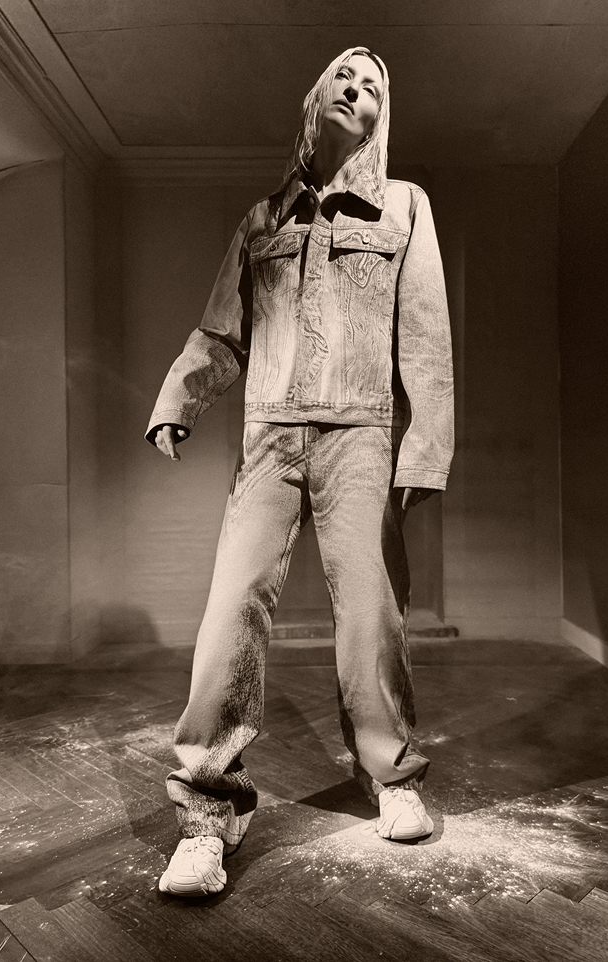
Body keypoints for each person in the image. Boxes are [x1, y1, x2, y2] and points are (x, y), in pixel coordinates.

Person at [146, 45, 454, 897]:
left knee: (371, 610)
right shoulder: (263, 220)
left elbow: (426, 334)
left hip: (362, 437)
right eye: (344, 79)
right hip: (271, 439)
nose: (357, 90)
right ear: (317, 100)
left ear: (381, 116)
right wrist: (179, 399)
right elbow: (221, 329)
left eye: (374, 86)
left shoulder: (405, 207)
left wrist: (426, 447)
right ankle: (207, 812)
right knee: (230, 610)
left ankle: (391, 776)